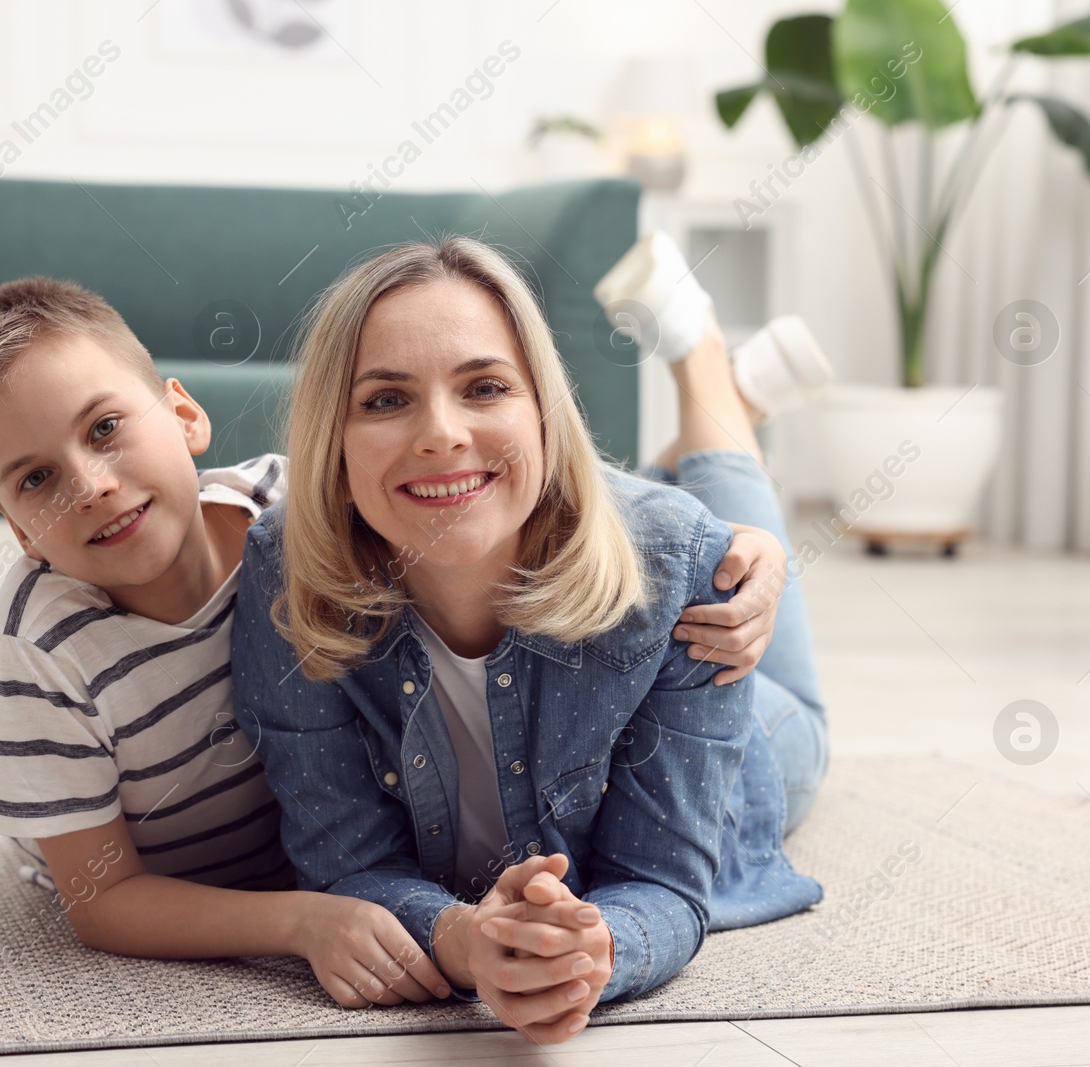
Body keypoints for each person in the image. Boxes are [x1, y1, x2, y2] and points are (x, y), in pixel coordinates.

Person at [0, 274, 787, 1009]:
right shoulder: (43, 645)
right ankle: (723, 407)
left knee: (744, 629)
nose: (91, 486)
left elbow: (500, 474)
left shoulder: (290, 503)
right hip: (231, 865)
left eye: (105, 427)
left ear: (183, 414)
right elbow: (100, 897)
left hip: (729, 724)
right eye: (36, 479)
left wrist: (744, 549)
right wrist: (305, 918)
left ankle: (712, 384)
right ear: (16, 527)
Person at [231, 235, 831, 1044]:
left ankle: (705, 364)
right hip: (581, 505)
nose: (440, 432)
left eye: (484, 386)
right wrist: (467, 942)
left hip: (758, 746)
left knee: (731, 558)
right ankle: (732, 401)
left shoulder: (677, 562)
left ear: (543, 411)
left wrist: (591, 952)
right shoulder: (284, 567)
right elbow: (343, 860)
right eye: (384, 400)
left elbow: (659, 881)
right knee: (643, 520)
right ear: (331, 443)